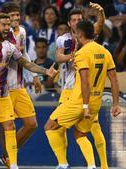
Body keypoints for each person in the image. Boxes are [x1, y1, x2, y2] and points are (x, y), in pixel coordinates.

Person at [0, 13, 58, 169]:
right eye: (4, 24)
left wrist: (45, 72)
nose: (7, 28)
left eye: (8, 25)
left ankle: (13, 165)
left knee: (10, 126)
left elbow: (25, 63)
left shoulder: (9, 45)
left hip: (3, 93)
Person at [44, 20, 121, 169]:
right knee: (80, 135)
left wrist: (84, 106)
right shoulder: (105, 52)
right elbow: (114, 80)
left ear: (79, 34)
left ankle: (63, 164)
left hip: (79, 102)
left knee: (50, 126)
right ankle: (92, 166)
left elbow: (85, 82)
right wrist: (116, 104)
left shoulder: (81, 53)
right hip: (95, 103)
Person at [53, 5, 109, 168]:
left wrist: (101, 13)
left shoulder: (88, 36)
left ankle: (103, 165)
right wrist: (73, 56)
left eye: (80, 19)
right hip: (68, 90)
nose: (77, 22)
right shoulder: (63, 39)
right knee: (59, 127)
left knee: (94, 128)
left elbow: (99, 24)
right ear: (69, 23)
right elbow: (58, 57)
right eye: (74, 20)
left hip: (85, 90)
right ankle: (63, 164)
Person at [0, 2, 42, 168]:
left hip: (19, 85)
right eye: (12, 15)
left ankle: (7, 155)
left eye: (18, 15)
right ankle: (10, 162)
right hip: (3, 88)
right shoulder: (0, 34)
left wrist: (35, 76)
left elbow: (23, 55)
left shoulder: (22, 31)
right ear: (5, 17)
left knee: (31, 124)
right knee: (6, 127)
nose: (16, 18)